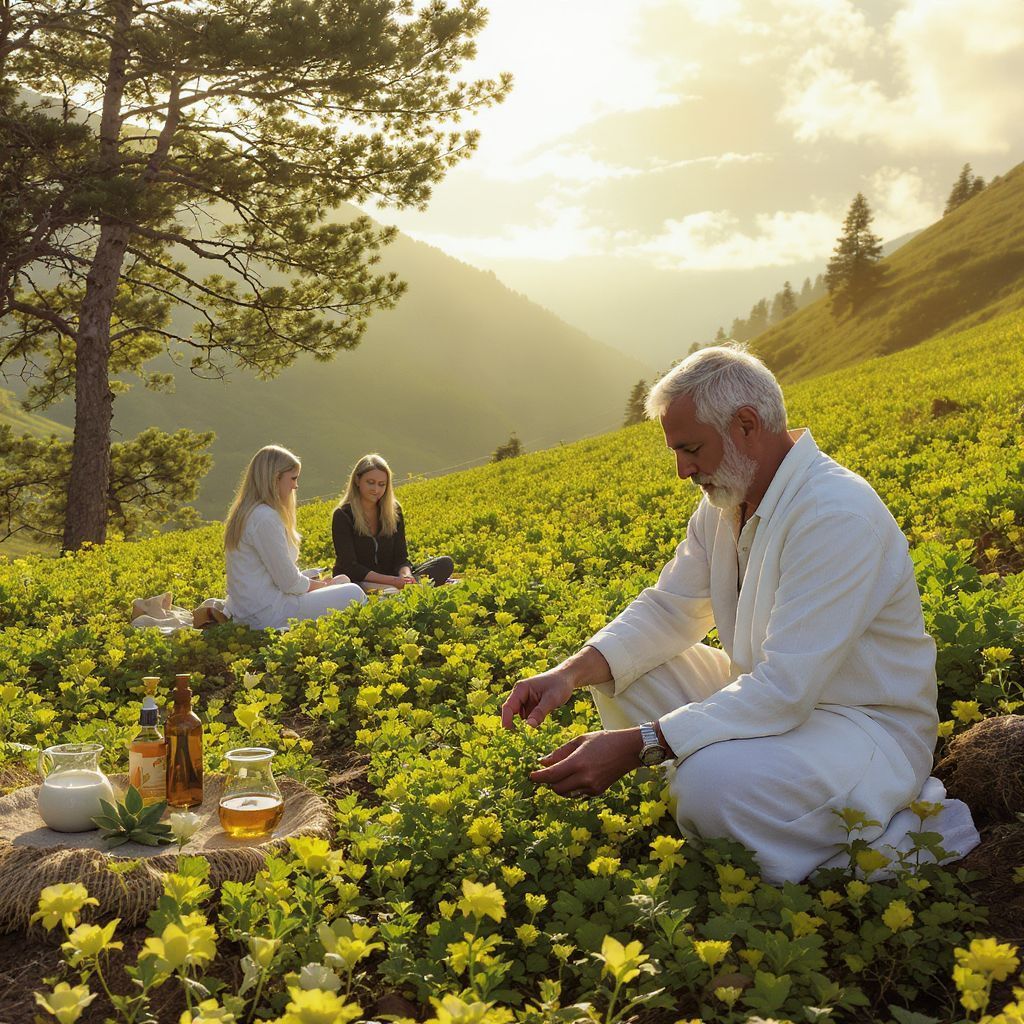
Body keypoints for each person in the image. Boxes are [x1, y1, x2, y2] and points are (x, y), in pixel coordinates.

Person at [501, 344, 978, 884]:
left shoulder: (834, 514)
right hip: (768, 698)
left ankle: (764, 808)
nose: (683, 471)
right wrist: (566, 674)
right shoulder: (725, 503)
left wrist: (642, 744)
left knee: (708, 786)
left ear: (747, 424)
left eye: (691, 448)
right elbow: (669, 609)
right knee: (620, 672)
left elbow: (786, 688)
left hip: (861, 728)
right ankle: (721, 785)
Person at [224, 445, 366, 629]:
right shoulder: (265, 517)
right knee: (353, 592)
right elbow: (289, 583)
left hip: (249, 609)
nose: (295, 485)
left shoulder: (246, 513)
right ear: (275, 478)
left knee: (342, 581)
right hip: (269, 613)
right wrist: (323, 585)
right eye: (293, 478)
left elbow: (272, 575)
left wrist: (313, 581)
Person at [332, 453, 454, 590]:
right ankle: (406, 590)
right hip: (359, 581)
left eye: (381, 484)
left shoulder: (394, 511)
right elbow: (350, 566)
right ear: (357, 480)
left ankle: (405, 589)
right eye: (370, 482)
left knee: (445, 564)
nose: (376, 489)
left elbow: (401, 558)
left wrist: (405, 575)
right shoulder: (343, 515)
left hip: (393, 578)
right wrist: (393, 581)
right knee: (353, 587)